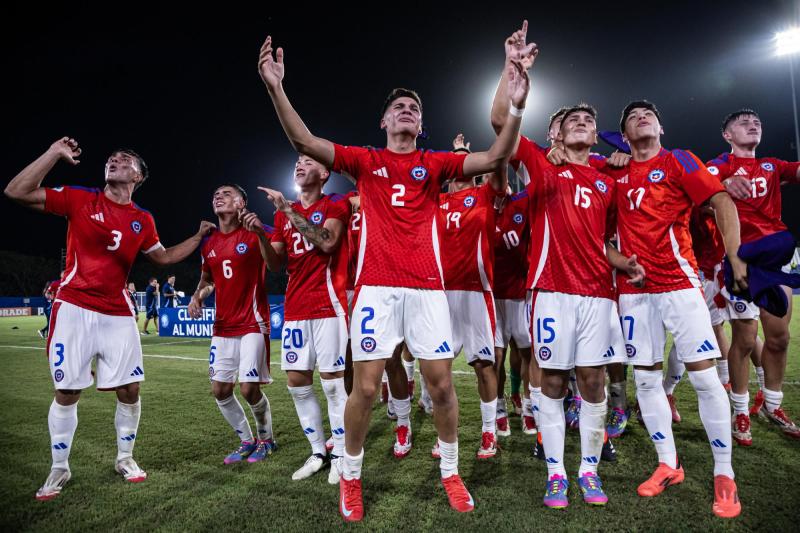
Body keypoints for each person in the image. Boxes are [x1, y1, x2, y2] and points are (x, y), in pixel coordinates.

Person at [258, 22, 531, 521]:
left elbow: (497, 155)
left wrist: (514, 104)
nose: (408, 110)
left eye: (415, 108)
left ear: (420, 125)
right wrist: (276, 86)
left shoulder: (436, 163)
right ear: (383, 119)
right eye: (399, 106)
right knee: (364, 388)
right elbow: (303, 137)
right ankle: (352, 477)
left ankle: (450, 470)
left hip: (428, 289)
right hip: (377, 290)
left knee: (443, 386)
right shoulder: (365, 161)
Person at [4, 137, 214, 501]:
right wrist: (54, 153)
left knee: (130, 390)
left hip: (117, 313)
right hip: (74, 307)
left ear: (139, 176)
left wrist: (197, 236)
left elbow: (162, 258)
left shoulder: (142, 219)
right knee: (67, 391)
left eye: (126, 158)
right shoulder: (80, 198)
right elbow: (16, 191)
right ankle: (59, 467)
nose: (115, 159)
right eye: (113, 157)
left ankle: (125, 458)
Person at [495, 98, 641, 508]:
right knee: (553, 382)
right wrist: (516, 89)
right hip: (552, 292)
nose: (581, 123)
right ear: (556, 133)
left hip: (596, 293)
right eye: (572, 119)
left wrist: (624, 263)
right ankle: (556, 472)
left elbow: (602, 243)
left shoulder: (607, 179)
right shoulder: (542, 164)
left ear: (596, 136)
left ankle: (589, 471)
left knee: (593, 382)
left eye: (588, 120)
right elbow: (498, 121)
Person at [610, 101, 744, 518]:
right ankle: (668, 463)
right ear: (624, 135)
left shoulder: (679, 160)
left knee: (705, 379)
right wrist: (621, 263)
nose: (641, 117)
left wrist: (735, 258)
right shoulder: (613, 174)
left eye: (648, 113)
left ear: (661, 126)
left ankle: (725, 474)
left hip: (679, 285)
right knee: (647, 382)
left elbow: (721, 201)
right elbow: (602, 237)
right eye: (632, 117)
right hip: (633, 291)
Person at [706, 108, 800, 443]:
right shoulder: (719, 165)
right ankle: (741, 410)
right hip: (739, 259)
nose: (753, 125)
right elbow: (696, 195)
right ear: (728, 135)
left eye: (757, 122)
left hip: (773, 260)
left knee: (779, 337)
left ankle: (772, 404)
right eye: (743, 123)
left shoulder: (773, 166)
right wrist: (722, 184)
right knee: (745, 339)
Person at [259, 154, 350, 484]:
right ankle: (317, 451)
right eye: (296, 160)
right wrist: (259, 233)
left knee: (332, 385)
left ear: (324, 173)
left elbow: (327, 243)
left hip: (329, 305)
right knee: (297, 383)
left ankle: (340, 452)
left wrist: (287, 210)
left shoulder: (335, 204)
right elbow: (274, 264)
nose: (299, 164)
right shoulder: (282, 215)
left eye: (309, 161)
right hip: (295, 308)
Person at [188, 184, 277, 466]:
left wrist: (262, 233)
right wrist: (197, 297)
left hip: (252, 322)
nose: (218, 196)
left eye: (226, 194)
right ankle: (246, 441)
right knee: (220, 390)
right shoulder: (209, 242)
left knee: (249, 389)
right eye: (216, 194)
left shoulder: (255, 231)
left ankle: (266, 439)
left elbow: (277, 260)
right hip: (223, 327)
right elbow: (208, 281)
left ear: (242, 203)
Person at [435, 133, 507, 459]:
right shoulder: (433, 200)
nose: (460, 162)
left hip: (477, 291)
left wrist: (476, 146)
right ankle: (444, 435)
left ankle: (489, 432)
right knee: (440, 369)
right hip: (441, 294)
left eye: (465, 158)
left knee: (482, 364)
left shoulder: (483, 194)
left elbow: (499, 166)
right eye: (456, 159)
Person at [39, 273, 63, 339]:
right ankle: (43, 332)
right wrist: (52, 297)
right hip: (48, 308)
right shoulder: (47, 292)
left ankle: (46, 334)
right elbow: (49, 298)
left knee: (51, 322)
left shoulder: (48, 291)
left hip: (48, 307)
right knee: (50, 322)